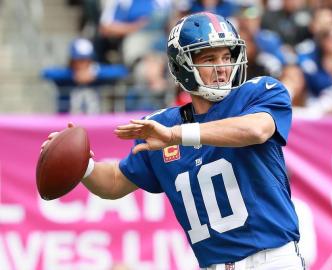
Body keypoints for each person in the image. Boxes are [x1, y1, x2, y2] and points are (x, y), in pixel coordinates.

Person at [42, 12, 304, 269]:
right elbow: (113, 182)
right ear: (182, 66)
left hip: (273, 260)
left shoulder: (258, 94)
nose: (223, 67)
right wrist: (81, 164)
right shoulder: (164, 124)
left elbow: (256, 130)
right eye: (209, 58)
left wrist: (177, 136)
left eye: (226, 56)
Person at [41, 38, 129, 113]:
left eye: (85, 60)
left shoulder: (97, 73)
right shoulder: (65, 75)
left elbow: (122, 71)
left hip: (95, 120)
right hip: (67, 121)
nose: (81, 64)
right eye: (78, 60)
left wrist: (95, 73)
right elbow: (46, 73)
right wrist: (72, 75)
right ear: (71, 60)